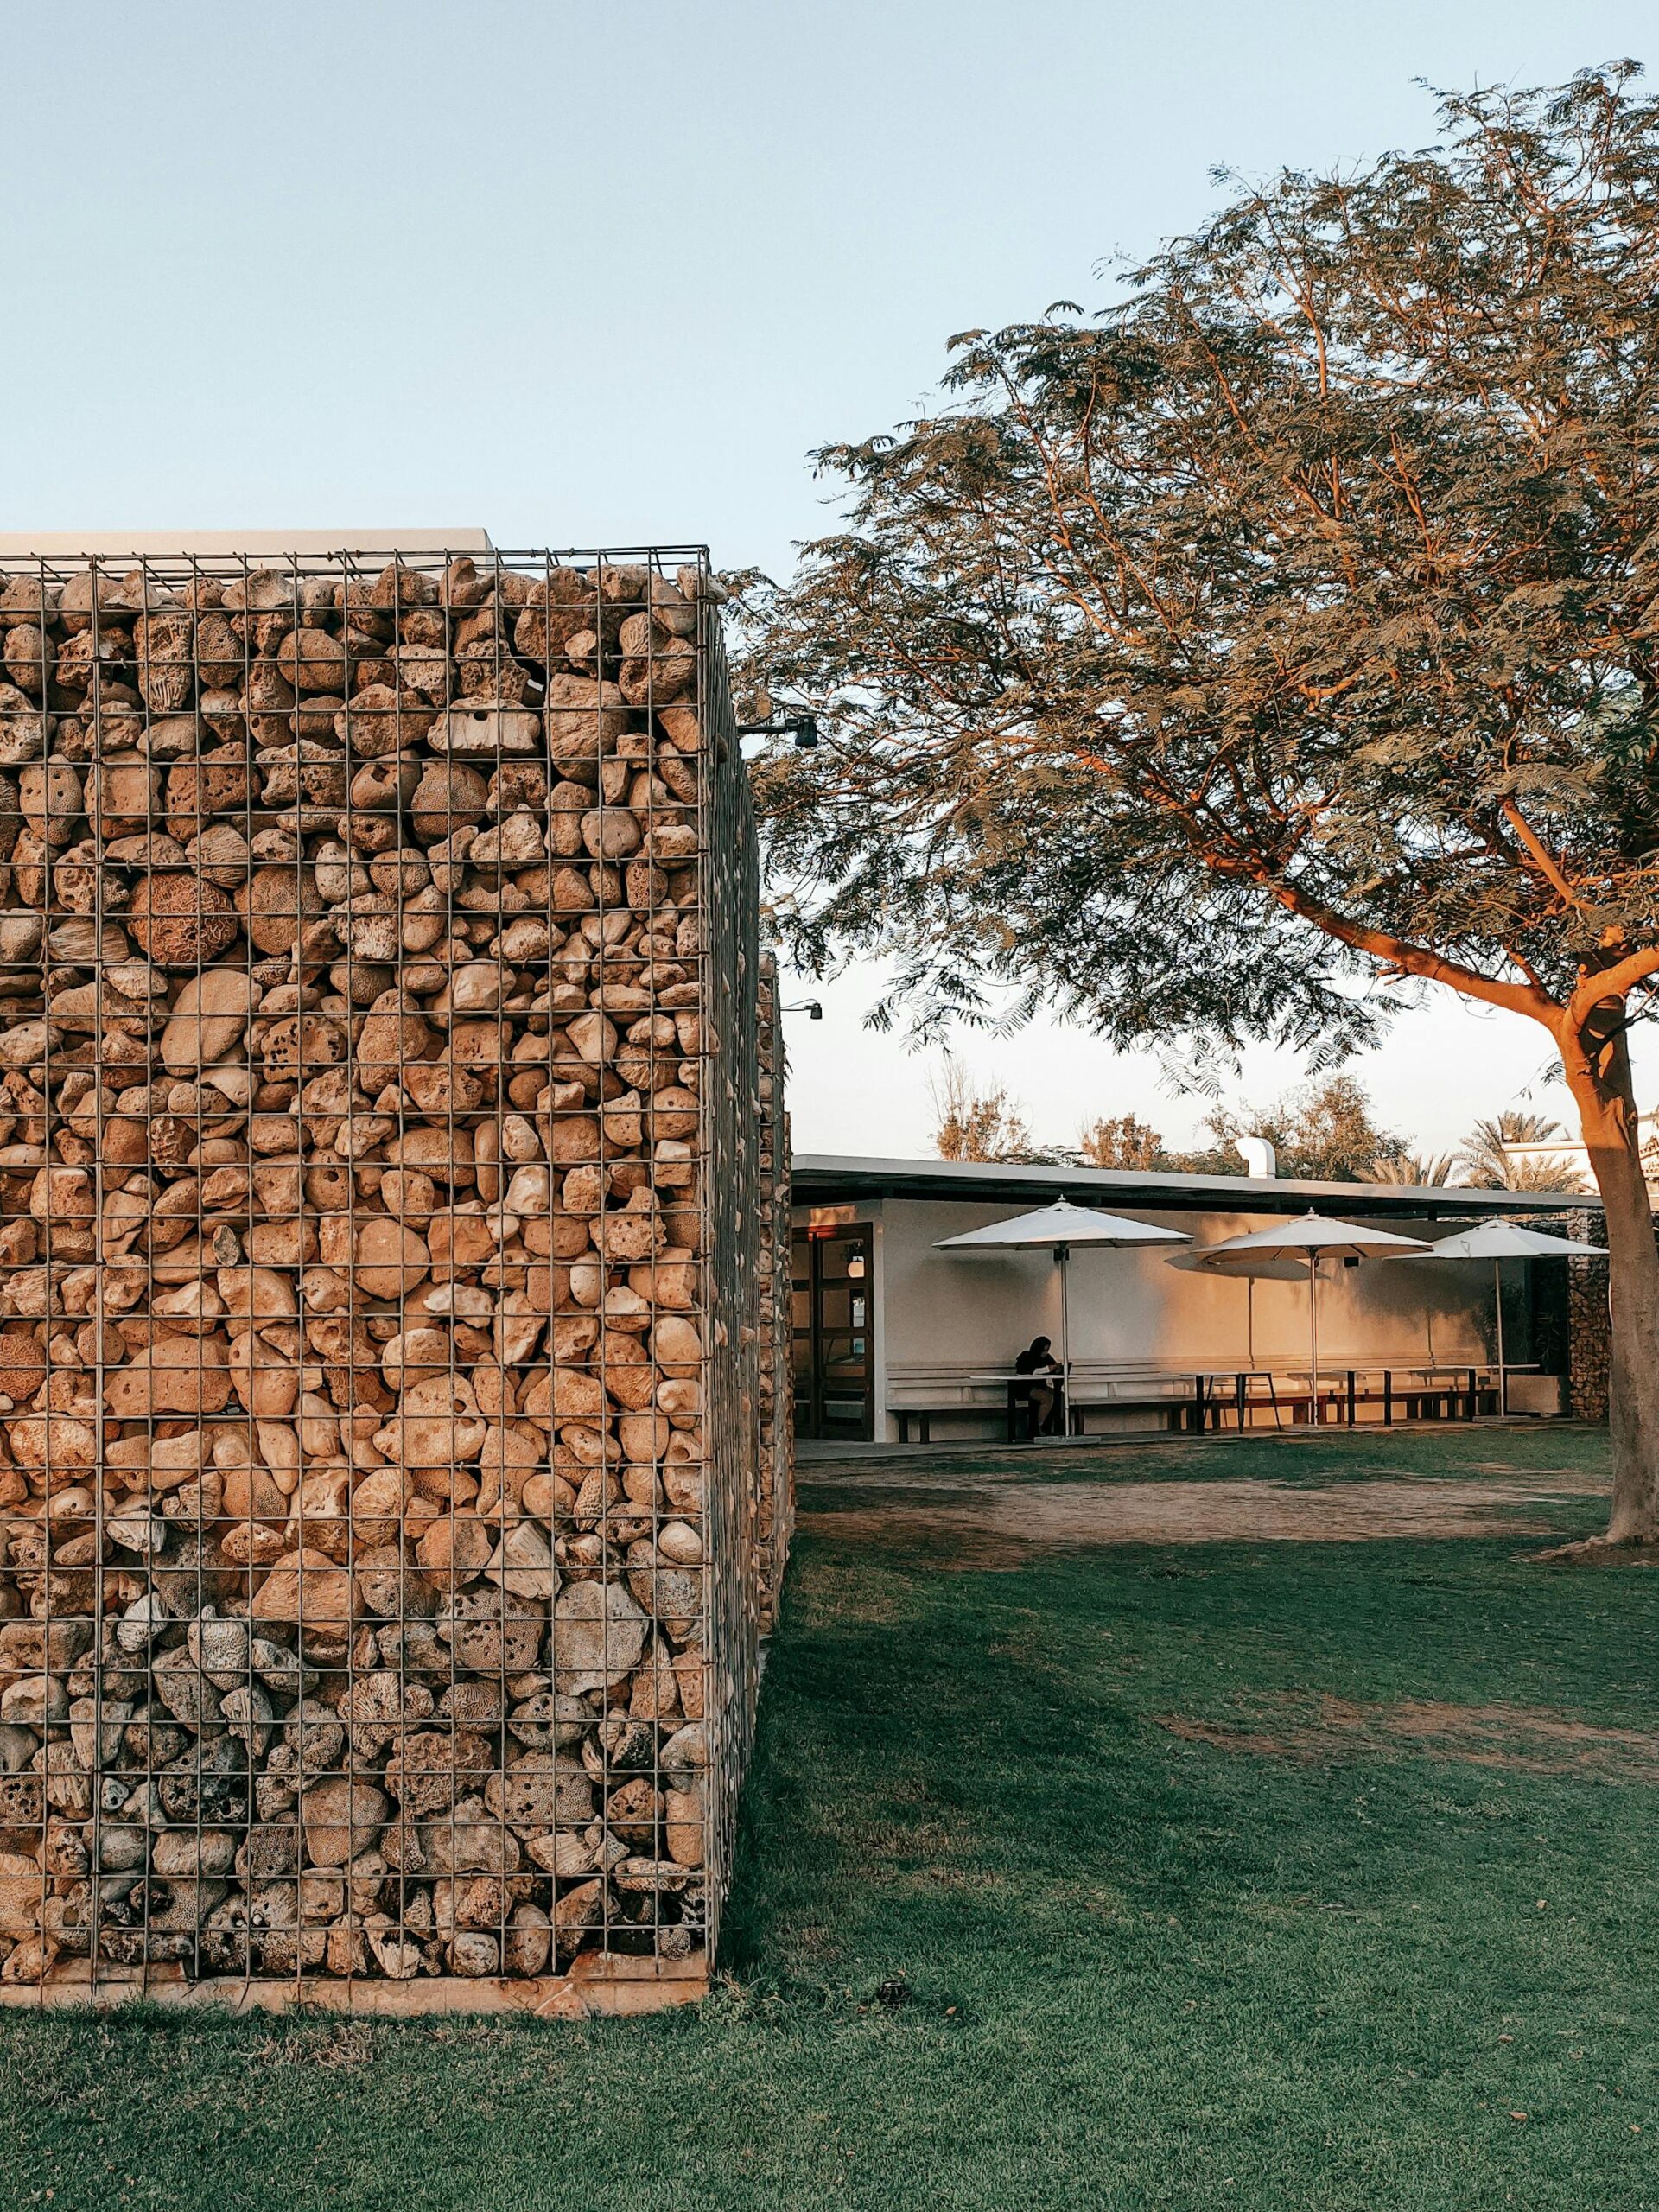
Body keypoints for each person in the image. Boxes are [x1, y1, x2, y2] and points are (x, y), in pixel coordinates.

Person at [1013, 1334, 1065, 1440]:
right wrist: (1048, 1369)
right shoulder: (1025, 1357)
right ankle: (1039, 1427)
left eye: (1047, 1350)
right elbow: (1029, 1373)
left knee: (1060, 1396)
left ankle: (1058, 1426)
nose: (1045, 1353)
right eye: (1044, 1350)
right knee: (1047, 1398)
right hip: (1025, 1388)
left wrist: (1058, 1368)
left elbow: (1053, 1366)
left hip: (1040, 1387)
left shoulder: (1047, 1357)